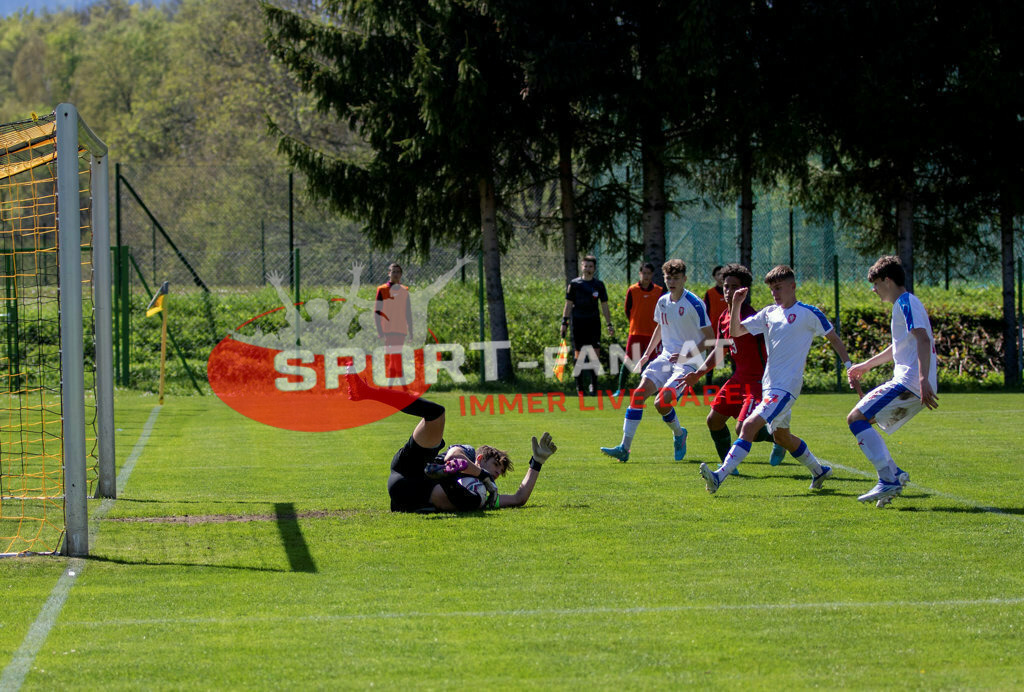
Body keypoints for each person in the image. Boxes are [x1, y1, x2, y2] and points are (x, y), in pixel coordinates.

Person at [698, 265, 853, 493]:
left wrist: (850, 367)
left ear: (793, 286)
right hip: (770, 384)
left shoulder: (808, 313)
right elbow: (737, 332)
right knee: (782, 437)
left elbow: (834, 338)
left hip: (786, 387)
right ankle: (819, 471)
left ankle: (719, 477)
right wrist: (737, 304)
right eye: (772, 289)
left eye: (779, 288)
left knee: (748, 425)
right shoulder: (769, 313)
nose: (775, 294)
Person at [347, 375, 557, 512]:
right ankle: (365, 391)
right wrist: (482, 475)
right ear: (481, 459)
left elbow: (519, 498)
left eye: (499, 473)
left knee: (477, 502)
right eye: (496, 467)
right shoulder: (469, 452)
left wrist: (536, 462)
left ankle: (444, 480)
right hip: (411, 469)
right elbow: (453, 457)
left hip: (416, 495)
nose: (497, 475)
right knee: (436, 414)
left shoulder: (484, 491)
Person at [846, 255, 938, 508]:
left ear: (887, 280)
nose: (874, 290)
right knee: (862, 420)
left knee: (855, 418)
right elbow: (901, 345)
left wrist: (921, 379)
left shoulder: (906, 302)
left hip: (909, 383)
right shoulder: (905, 304)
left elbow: (923, 339)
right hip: (911, 382)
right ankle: (893, 474)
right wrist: (866, 365)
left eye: (875, 284)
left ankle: (888, 478)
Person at [600, 259, 714, 462]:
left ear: (684, 279)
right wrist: (646, 354)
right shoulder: (662, 301)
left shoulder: (695, 304)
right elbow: (660, 328)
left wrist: (686, 356)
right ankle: (624, 448)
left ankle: (679, 434)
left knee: (661, 403)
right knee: (638, 395)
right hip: (665, 357)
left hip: (689, 362)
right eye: (669, 278)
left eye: (676, 278)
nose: (672, 282)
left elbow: (710, 338)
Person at [683, 263, 787, 473]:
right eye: (726, 286)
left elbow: (774, 348)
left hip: (757, 382)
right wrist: (699, 373)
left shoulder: (753, 319)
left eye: (734, 286)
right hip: (737, 379)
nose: (728, 291)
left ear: (744, 290)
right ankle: (729, 466)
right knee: (714, 420)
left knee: (743, 428)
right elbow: (719, 350)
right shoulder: (724, 317)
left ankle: (778, 437)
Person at [560, 255, 615, 395]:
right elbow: (568, 304)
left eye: (590, 266)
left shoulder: (598, 285)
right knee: (578, 355)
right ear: (581, 266)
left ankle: (594, 386)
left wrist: (609, 324)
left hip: (593, 323)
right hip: (578, 323)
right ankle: (579, 387)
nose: (588, 269)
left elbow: (604, 306)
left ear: (594, 268)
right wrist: (564, 322)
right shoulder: (574, 284)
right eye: (585, 266)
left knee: (594, 354)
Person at [613, 262, 665, 396]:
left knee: (654, 361)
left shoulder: (659, 290)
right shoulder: (633, 290)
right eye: (644, 273)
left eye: (649, 273)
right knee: (629, 360)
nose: (646, 276)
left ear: (652, 275)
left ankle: (650, 388)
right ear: (640, 274)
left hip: (653, 333)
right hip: (636, 332)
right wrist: (636, 322)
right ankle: (620, 389)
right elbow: (627, 310)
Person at [375, 263, 413, 378]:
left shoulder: (405, 290)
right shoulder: (382, 290)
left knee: (396, 356)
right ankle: (399, 386)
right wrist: (380, 331)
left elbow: (408, 312)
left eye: (398, 272)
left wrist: (411, 331)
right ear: (389, 274)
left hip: (400, 329)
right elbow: (377, 312)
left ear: (401, 274)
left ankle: (394, 386)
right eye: (393, 272)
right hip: (387, 330)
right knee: (393, 356)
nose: (396, 274)